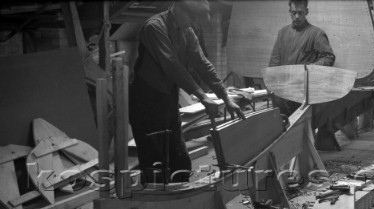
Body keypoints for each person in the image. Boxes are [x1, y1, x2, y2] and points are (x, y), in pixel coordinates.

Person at [129, 0, 244, 184]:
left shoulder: (187, 31)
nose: (193, 23)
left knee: (180, 160)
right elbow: (172, 65)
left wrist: (225, 97)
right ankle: (155, 205)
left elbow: (202, 64)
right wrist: (203, 97)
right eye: (191, 17)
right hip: (146, 100)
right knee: (154, 161)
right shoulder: (154, 27)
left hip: (168, 97)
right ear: (177, 8)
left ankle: (182, 199)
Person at [268, 0, 336, 116]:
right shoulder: (282, 33)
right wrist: (272, 85)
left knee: (302, 127)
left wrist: (310, 68)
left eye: (300, 12)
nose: (297, 16)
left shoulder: (316, 34)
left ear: (307, 12)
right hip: (283, 91)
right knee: (282, 126)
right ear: (289, 12)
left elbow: (329, 57)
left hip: (304, 92)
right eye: (294, 12)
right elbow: (274, 63)